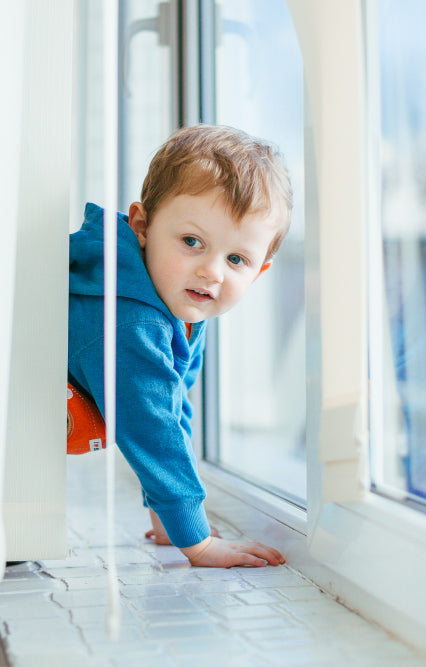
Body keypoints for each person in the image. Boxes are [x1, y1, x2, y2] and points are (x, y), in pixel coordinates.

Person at [68, 124, 292, 567]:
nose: (211, 271)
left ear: (259, 272)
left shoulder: (183, 308)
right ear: (142, 226)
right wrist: (199, 542)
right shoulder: (131, 316)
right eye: (192, 242)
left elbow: (173, 411)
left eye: (236, 259)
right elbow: (151, 428)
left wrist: (171, 518)